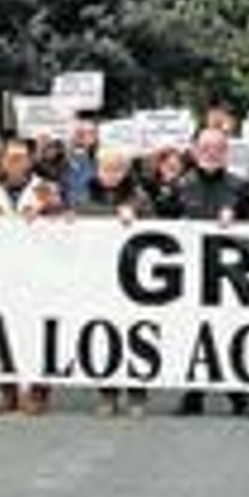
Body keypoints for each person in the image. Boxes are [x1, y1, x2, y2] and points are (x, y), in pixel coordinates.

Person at [172, 127, 249, 417]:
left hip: (230, 276)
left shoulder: (240, 186)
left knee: (228, 334)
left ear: (226, 152)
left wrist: (242, 222)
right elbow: (158, 223)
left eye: (217, 148)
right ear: (195, 151)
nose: (211, 153)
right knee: (193, 333)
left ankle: (239, 397)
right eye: (205, 147)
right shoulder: (179, 186)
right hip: (191, 272)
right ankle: (192, 395)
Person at [0, 138, 63, 414]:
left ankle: (38, 390)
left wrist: (46, 212)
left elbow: (66, 222)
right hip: (0, 273)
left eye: (22, 157)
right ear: (1, 161)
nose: (16, 163)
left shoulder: (46, 190)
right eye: (11, 157)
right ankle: (7, 390)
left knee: (36, 330)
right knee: (1, 330)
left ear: (30, 161)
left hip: (37, 273)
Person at [77, 146, 155, 418]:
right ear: (97, 169)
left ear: (126, 171)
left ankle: (137, 393)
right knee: (103, 335)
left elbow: (157, 233)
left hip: (132, 277)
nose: (112, 174)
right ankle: (107, 393)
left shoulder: (139, 197)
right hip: (97, 278)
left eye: (118, 169)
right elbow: (74, 229)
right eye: (107, 168)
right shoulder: (84, 195)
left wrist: (137, 220)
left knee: (134, 334)